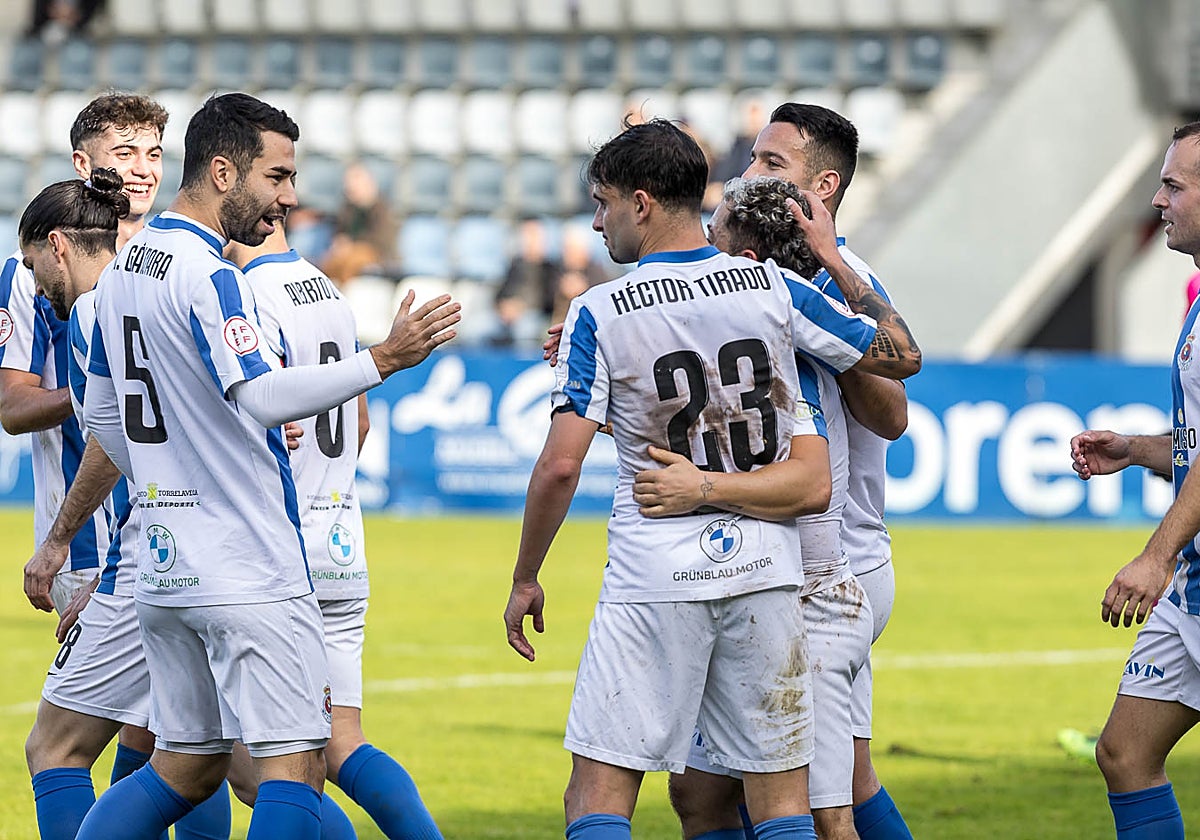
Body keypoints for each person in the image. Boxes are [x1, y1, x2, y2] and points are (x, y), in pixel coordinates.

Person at [503, 118, 917, 840]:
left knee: (598, 792)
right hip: (767, 570)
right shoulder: (772, 288)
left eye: (602, 203)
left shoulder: (599, 310)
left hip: (658, 576)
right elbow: (900, 355)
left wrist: (526, 574)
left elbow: (560, 464)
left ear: (640, 203)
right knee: (770, 802)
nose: (596, 221)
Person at [74, 92, 459, 840]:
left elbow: (100, 418)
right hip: (248, 565)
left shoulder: (122, 272)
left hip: (162, 565)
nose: (288, 196)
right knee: (295, 766)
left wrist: (166, 481)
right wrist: (382, 359)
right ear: (223, 171)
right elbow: (260, 396)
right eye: (277, 176)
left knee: (182, 768)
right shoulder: (213, 274)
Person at [10, 93, 233, 840]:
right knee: (189, 748)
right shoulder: (40, 264)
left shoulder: (172, 262)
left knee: (140, 747)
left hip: (132, 548)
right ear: (84, 163)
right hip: (115, 540)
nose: (140, 169)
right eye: (123, 152)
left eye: (151, 154)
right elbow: (12, 405)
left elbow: (132, 422)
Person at [662, 175, 878, 840]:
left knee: (822, 815)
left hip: (813, 596)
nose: (702, 245)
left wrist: (700, 490)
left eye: (715, 233)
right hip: (748, 592)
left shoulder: (798, 321)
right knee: (698, 796)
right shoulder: (732, 326)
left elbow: (892, 393)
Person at [225, 224, 443, 839]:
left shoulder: (243, 295)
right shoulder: (326, 291)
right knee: (342, 746)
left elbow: (255, 415)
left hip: (277, 557)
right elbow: (362, 419)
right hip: (342, 544)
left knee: (239, 766)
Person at [743, 102, 914, 840]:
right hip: (789, 558)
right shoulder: (756, 275)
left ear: (826, 186)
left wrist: (825, 304)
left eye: (771, 164)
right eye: (753, 159)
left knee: (806, 806)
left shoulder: (846, 282)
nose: (751, 175)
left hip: (834, 564)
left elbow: (893, 413)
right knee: (843, 780)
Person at [1068, 121, 1200, 840]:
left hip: (1183, 571)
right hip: (1197, 588)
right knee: (1124, 754)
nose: (1157, 200)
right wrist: (1141, 449)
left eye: (1174, 186)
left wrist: (1156, 556)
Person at [322, 160, 399, 285]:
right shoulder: (348, 209)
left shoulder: (382, 209)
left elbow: (381, 240)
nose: (350, 187)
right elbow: (340, 231)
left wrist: (351, 244)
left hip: (376, 254)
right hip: (349, 251)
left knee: (352, 261)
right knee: (330, 261)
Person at [492, 216, 560, 347]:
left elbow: (550, 301)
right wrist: (504, 307)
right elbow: (500, 293)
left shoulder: (550, 268)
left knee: (524, 330)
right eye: (526, 235)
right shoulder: (515, 264)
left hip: (536, 315)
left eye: (533, 235)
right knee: (480, 328)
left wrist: (521, 308)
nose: (529, 240)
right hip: (507, 316)